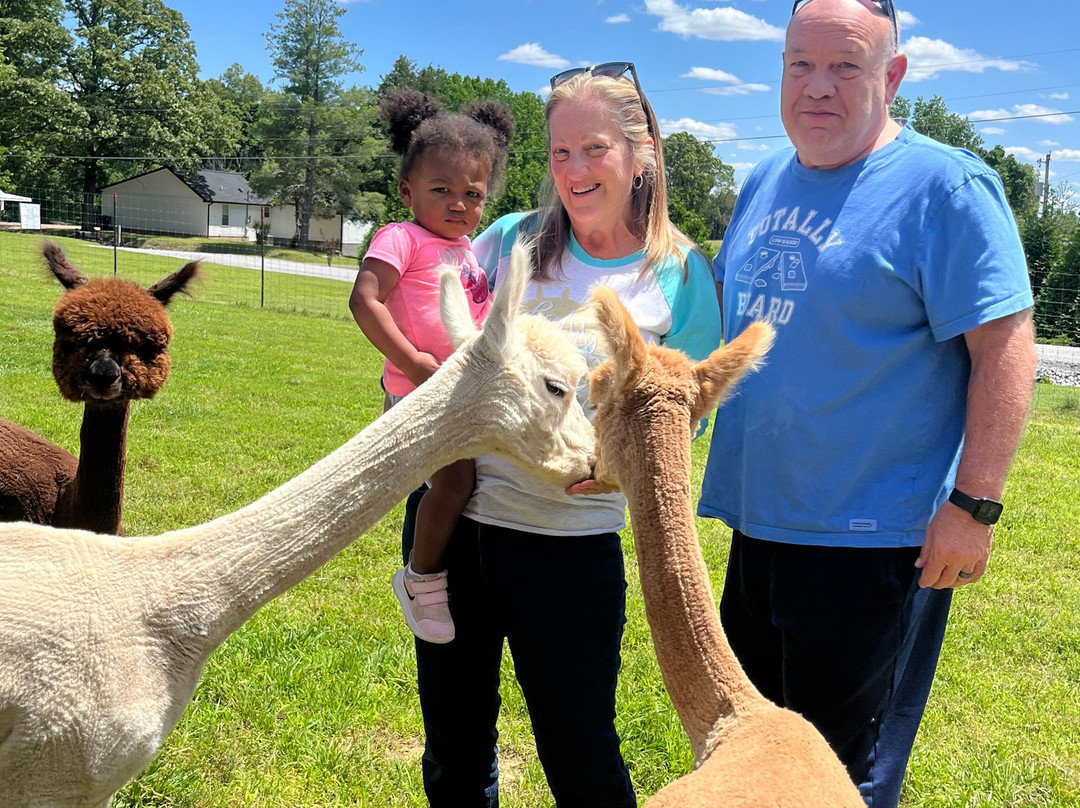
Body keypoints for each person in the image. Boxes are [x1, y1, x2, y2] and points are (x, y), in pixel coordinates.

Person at [697, 1, 1038, 806]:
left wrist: (975, 505)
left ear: (892, 76)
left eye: (845, 66)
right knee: (752, 759)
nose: (817, 86)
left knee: (838, 781)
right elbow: (718, 327)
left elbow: (1006, 347)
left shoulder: (943, 186)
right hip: (758, 524)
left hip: (872, 545)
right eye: (798, 64)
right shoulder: (762, 180)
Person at [399, 63, 722, 806]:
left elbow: (686, 424)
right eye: (558, 152)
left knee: (579, 751)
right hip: (453, 527)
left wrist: (613, 467)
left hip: (570, 549)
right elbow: (436, 331)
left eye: (594, 149)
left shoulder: (676, 275)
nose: (573, 170)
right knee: (453, 744)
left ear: (641, 156)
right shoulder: (508, 241)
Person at [350, 89, 514, 645]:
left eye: (472, 193)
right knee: (453, 481)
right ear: (407, 191)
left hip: (456, 391)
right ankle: (421, 578)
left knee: (473, 478)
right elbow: (365, 300)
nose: (458, 204)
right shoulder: (402, 238)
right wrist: (415, 364)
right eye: (441, 190)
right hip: (419, 392)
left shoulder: (465, 249)